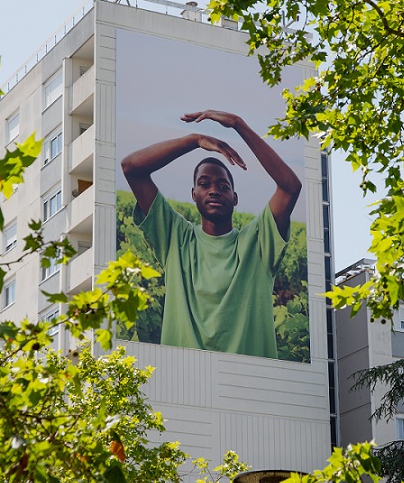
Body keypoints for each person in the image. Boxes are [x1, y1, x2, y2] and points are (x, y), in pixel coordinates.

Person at [121, 110, 302, 358]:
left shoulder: (257, 242)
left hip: (249, 383)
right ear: (193, 195)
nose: (214, 190)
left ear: (235, 198)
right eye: (204, 184)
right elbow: (131, 167)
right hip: (183, 381)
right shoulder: (176, 238)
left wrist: (239, 125)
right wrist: (194, 140)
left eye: (223, 186)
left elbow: (291, 187)